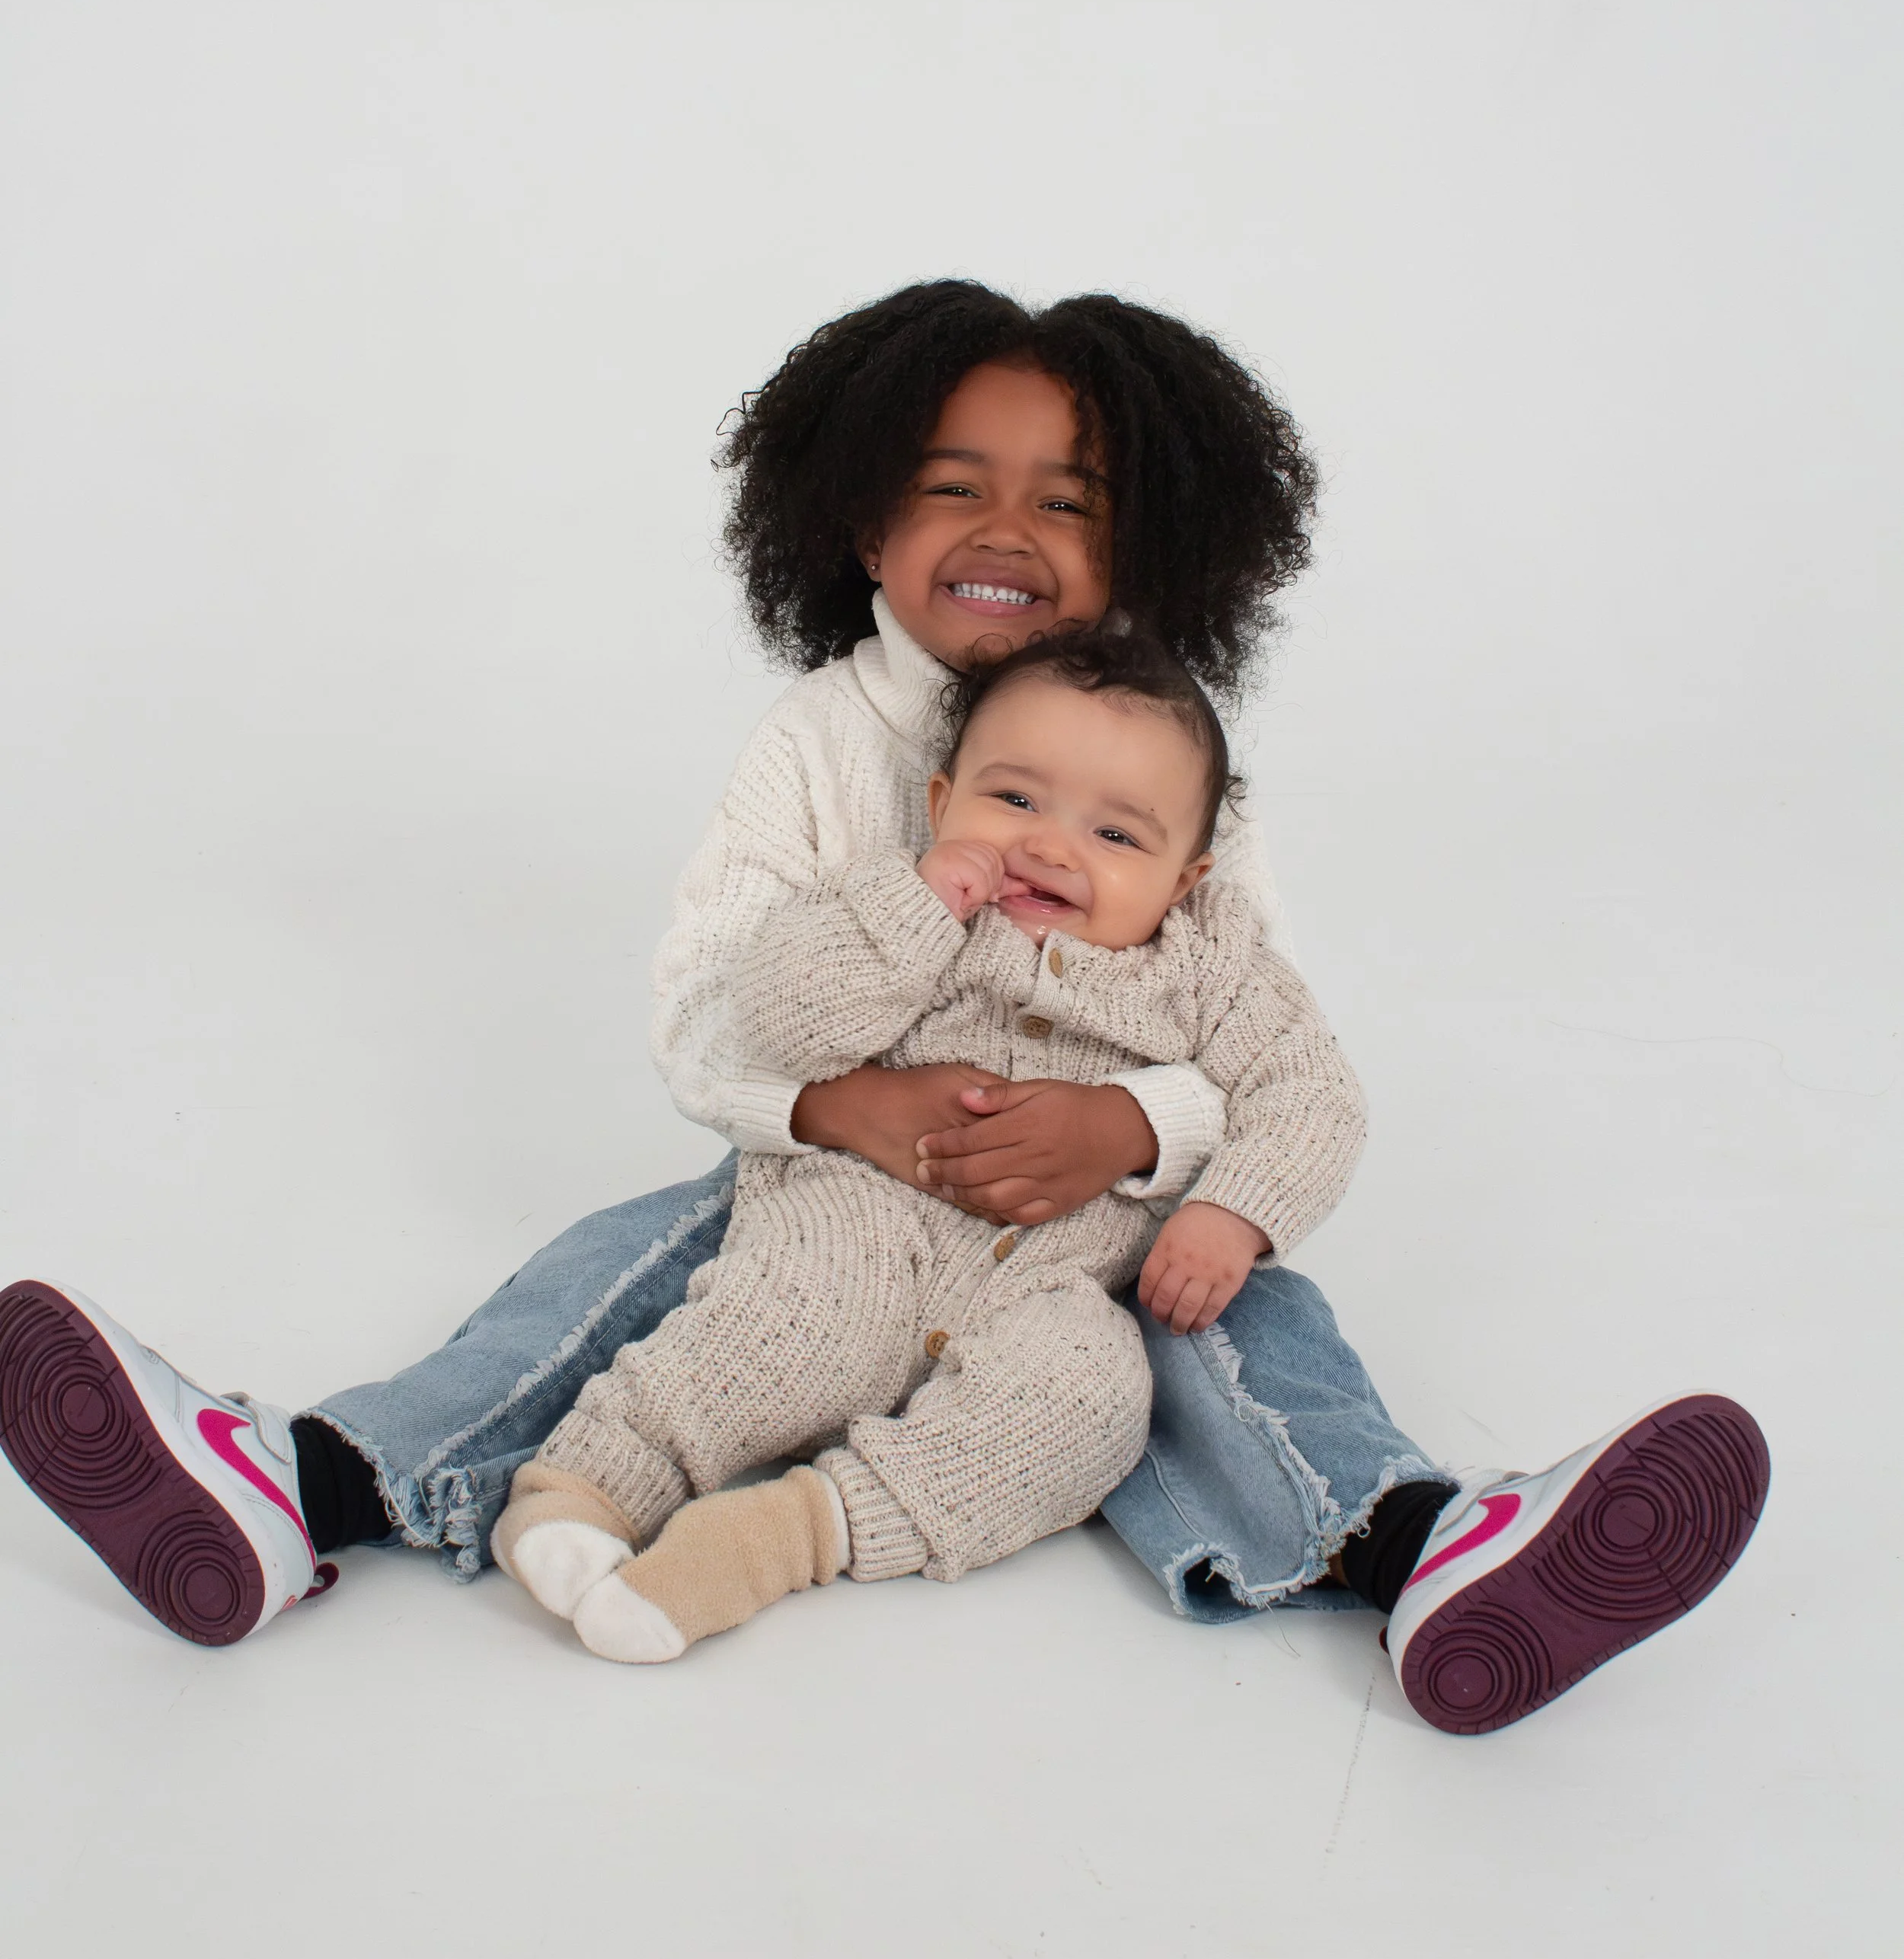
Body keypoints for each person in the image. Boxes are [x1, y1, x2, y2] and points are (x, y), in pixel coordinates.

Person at [0, 280, 1768, 1733]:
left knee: (1230, 1324)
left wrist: (1140, 1135)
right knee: (627, 1269)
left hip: (1092, 1219)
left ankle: (1411, 1546)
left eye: (1067, 499)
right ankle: (316, 1483)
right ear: (855, 517)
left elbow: (1263, 1045)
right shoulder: (817, 748)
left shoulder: (1186, 768)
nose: (1005, 529)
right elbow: (704, 1014)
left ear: (1147, 545)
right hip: (831, 1186)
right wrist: (831, 1109)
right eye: (951, 485)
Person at [491, 624, 1360, 1660]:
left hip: (1057, 1284)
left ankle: (791, 1531)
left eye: (1117, 837)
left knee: (1093, 1401)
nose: (1050, 846)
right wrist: (919, 903)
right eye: (1016, 800)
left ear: (1186, 878)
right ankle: (591, 1481)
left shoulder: (1216, 966)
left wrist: (1232, 1212)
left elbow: (1312, 1092)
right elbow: (780, 1018)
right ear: (945, 801)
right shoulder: (896, 899)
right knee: (790, 1324)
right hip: (861, 1212)